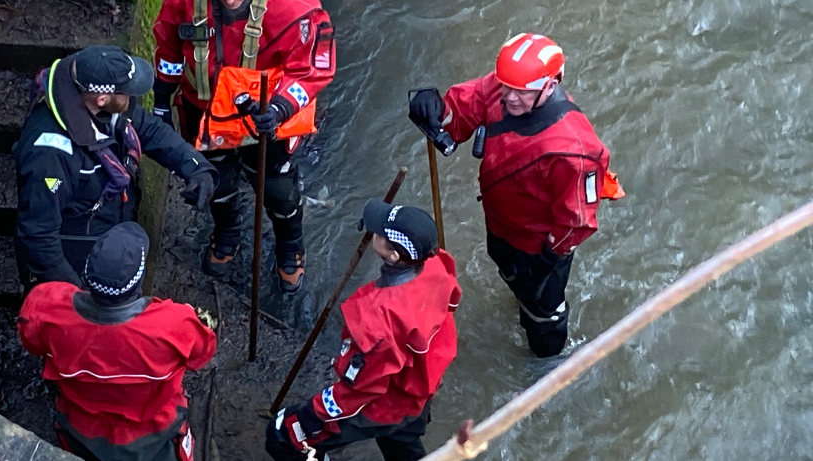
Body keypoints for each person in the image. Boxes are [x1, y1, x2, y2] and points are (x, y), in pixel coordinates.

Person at [409, 32, 624, 358]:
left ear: (550, 86)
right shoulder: (507, 88)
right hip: (502, 227)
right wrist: (435, 107)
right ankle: (521, 294)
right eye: (505, 87)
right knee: (512, 278)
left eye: (519, 93)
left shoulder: (574, 151)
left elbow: (576, 222)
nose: (507, 97)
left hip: (537, 248)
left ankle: (547, 366)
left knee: (543, 313)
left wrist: (543, 266)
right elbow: (466, 108)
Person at [152, 0, 336, 293]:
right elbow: (169, 52)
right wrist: (161, 102)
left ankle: (289, 248)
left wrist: (283, 107)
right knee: (216, 183)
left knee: (279, 190)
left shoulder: (293, 6)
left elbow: (315, 67)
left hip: (264, 118)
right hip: (205, 113)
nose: (231, 3)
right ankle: (228, 234)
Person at [266, 199, 462, 461]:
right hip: (420, 384)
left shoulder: (378, 318)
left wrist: (313, 414)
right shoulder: (436, 264)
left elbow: (360, 389)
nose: (375, 232)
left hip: (387, 403)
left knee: (282, 435)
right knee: (402, 441)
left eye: (380, 234)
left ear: (393, 255)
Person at [14, 45, 218, 291]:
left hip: (110, 219)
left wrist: (194, 165)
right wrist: (75, 294)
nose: (133, 98)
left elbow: (150, 129)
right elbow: (39, 236)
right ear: (101, 99)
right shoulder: (49, 159)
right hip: (77, 250)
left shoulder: (100, 100)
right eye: (127, 93)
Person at [18, 222, 217, 461]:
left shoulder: (45, 307)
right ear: (139, 279)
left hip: (82, 425)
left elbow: (32, 343)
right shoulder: (175, 324)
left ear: (86, 273)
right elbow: (201, 354)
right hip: (154, 427)